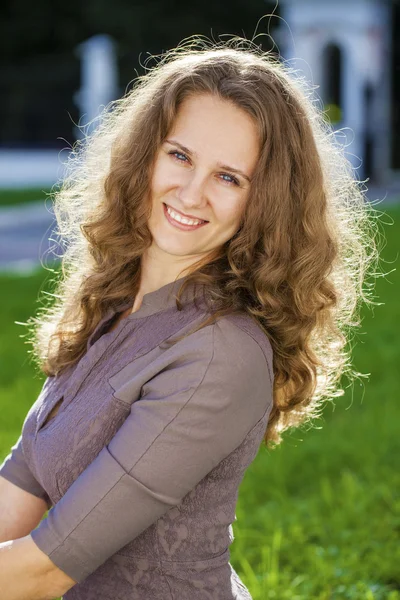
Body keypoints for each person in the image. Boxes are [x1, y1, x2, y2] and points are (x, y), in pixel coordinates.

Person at [0, 37, 381, 599]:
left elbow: (44, 569)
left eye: (229, 177)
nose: (191, 192)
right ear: (145, 154)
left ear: (264, 203)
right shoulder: (116, 301)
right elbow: (22, 487)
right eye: (179, 156)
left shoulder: (218, 353)